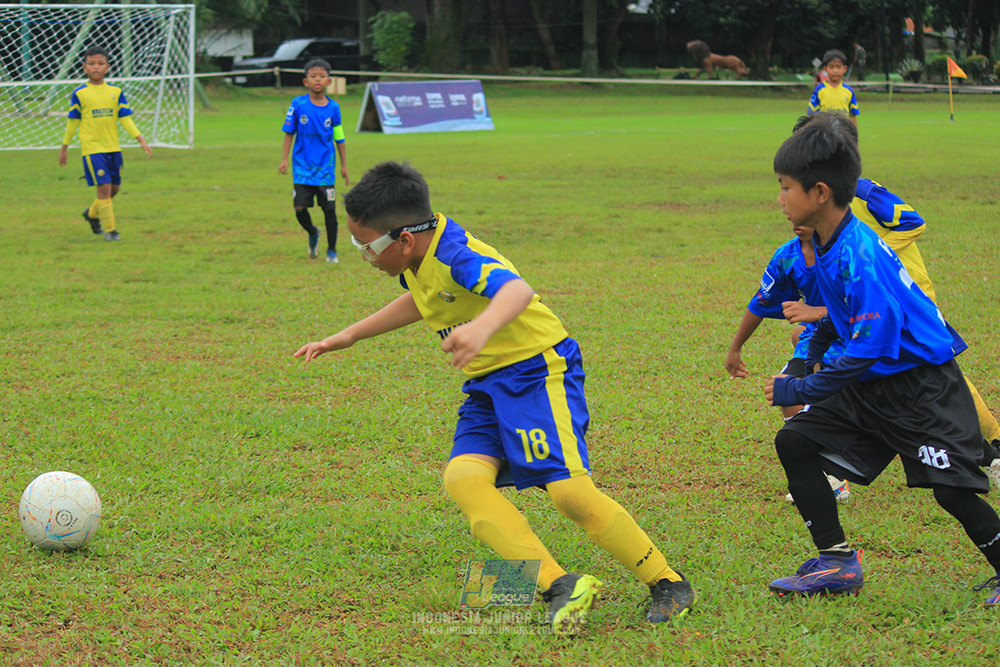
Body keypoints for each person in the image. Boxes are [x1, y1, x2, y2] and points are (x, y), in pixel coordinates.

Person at [294, 161, 695, 634]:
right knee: (463, 479)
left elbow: (516, 291)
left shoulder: (455, 253)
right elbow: (423, 299)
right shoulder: (418, 257)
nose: (367, 257)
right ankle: (559, 586)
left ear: (403, 239)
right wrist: (348, 335)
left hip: (538, 370)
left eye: (368, 248)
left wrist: (482, 328)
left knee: (569, 493)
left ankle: (668, 582)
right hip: (487, 385)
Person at [763, 113, 1000, 606]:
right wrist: (808, 358)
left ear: (820, 192)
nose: (780, 199)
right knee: (795, 440)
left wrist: (802, 388)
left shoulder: (860, 253)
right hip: (872, 384)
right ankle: (836, 562)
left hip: (921, 386)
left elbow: (871, 344)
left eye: (786, 187)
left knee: (952, 491)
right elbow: (841, 316)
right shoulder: (827, 242)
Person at [58, 46, 152, 242]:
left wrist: (141, 139)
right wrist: (64, 147)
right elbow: (73, 122)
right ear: (84, 67)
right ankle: (111, 231)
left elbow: (125, 118)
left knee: (114, 189)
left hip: (113, 149)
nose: (96, 67)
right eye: (91, 63)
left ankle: (91, 214)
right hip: (93, 150)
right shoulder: (80, 93)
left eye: (100, 64)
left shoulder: (115, 92)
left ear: (107, 67)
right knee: (103, 190)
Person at [278, 59, 348, 263]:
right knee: (299, 209)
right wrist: (284, 159)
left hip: (326, 168)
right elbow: (289, 132)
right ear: (305, 81)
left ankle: (332, 251)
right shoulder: (298, 104)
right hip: (302, 167)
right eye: (313, 76)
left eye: (322, 76)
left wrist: (344, 165)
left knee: (329, 210)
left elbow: (339, 137)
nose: (318, 80)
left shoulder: (334, 107)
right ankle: (312, 231)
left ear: (329, 81)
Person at [807, 49, 859, 125]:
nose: (835, 71)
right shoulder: (819, 89)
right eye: (831, 67)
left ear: (844, 69)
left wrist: (854, 132)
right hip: (824, 130)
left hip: (843, 130)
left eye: (839, 67)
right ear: (825, 69)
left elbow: (852, 115)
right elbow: (812, 114)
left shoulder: (849, 90)